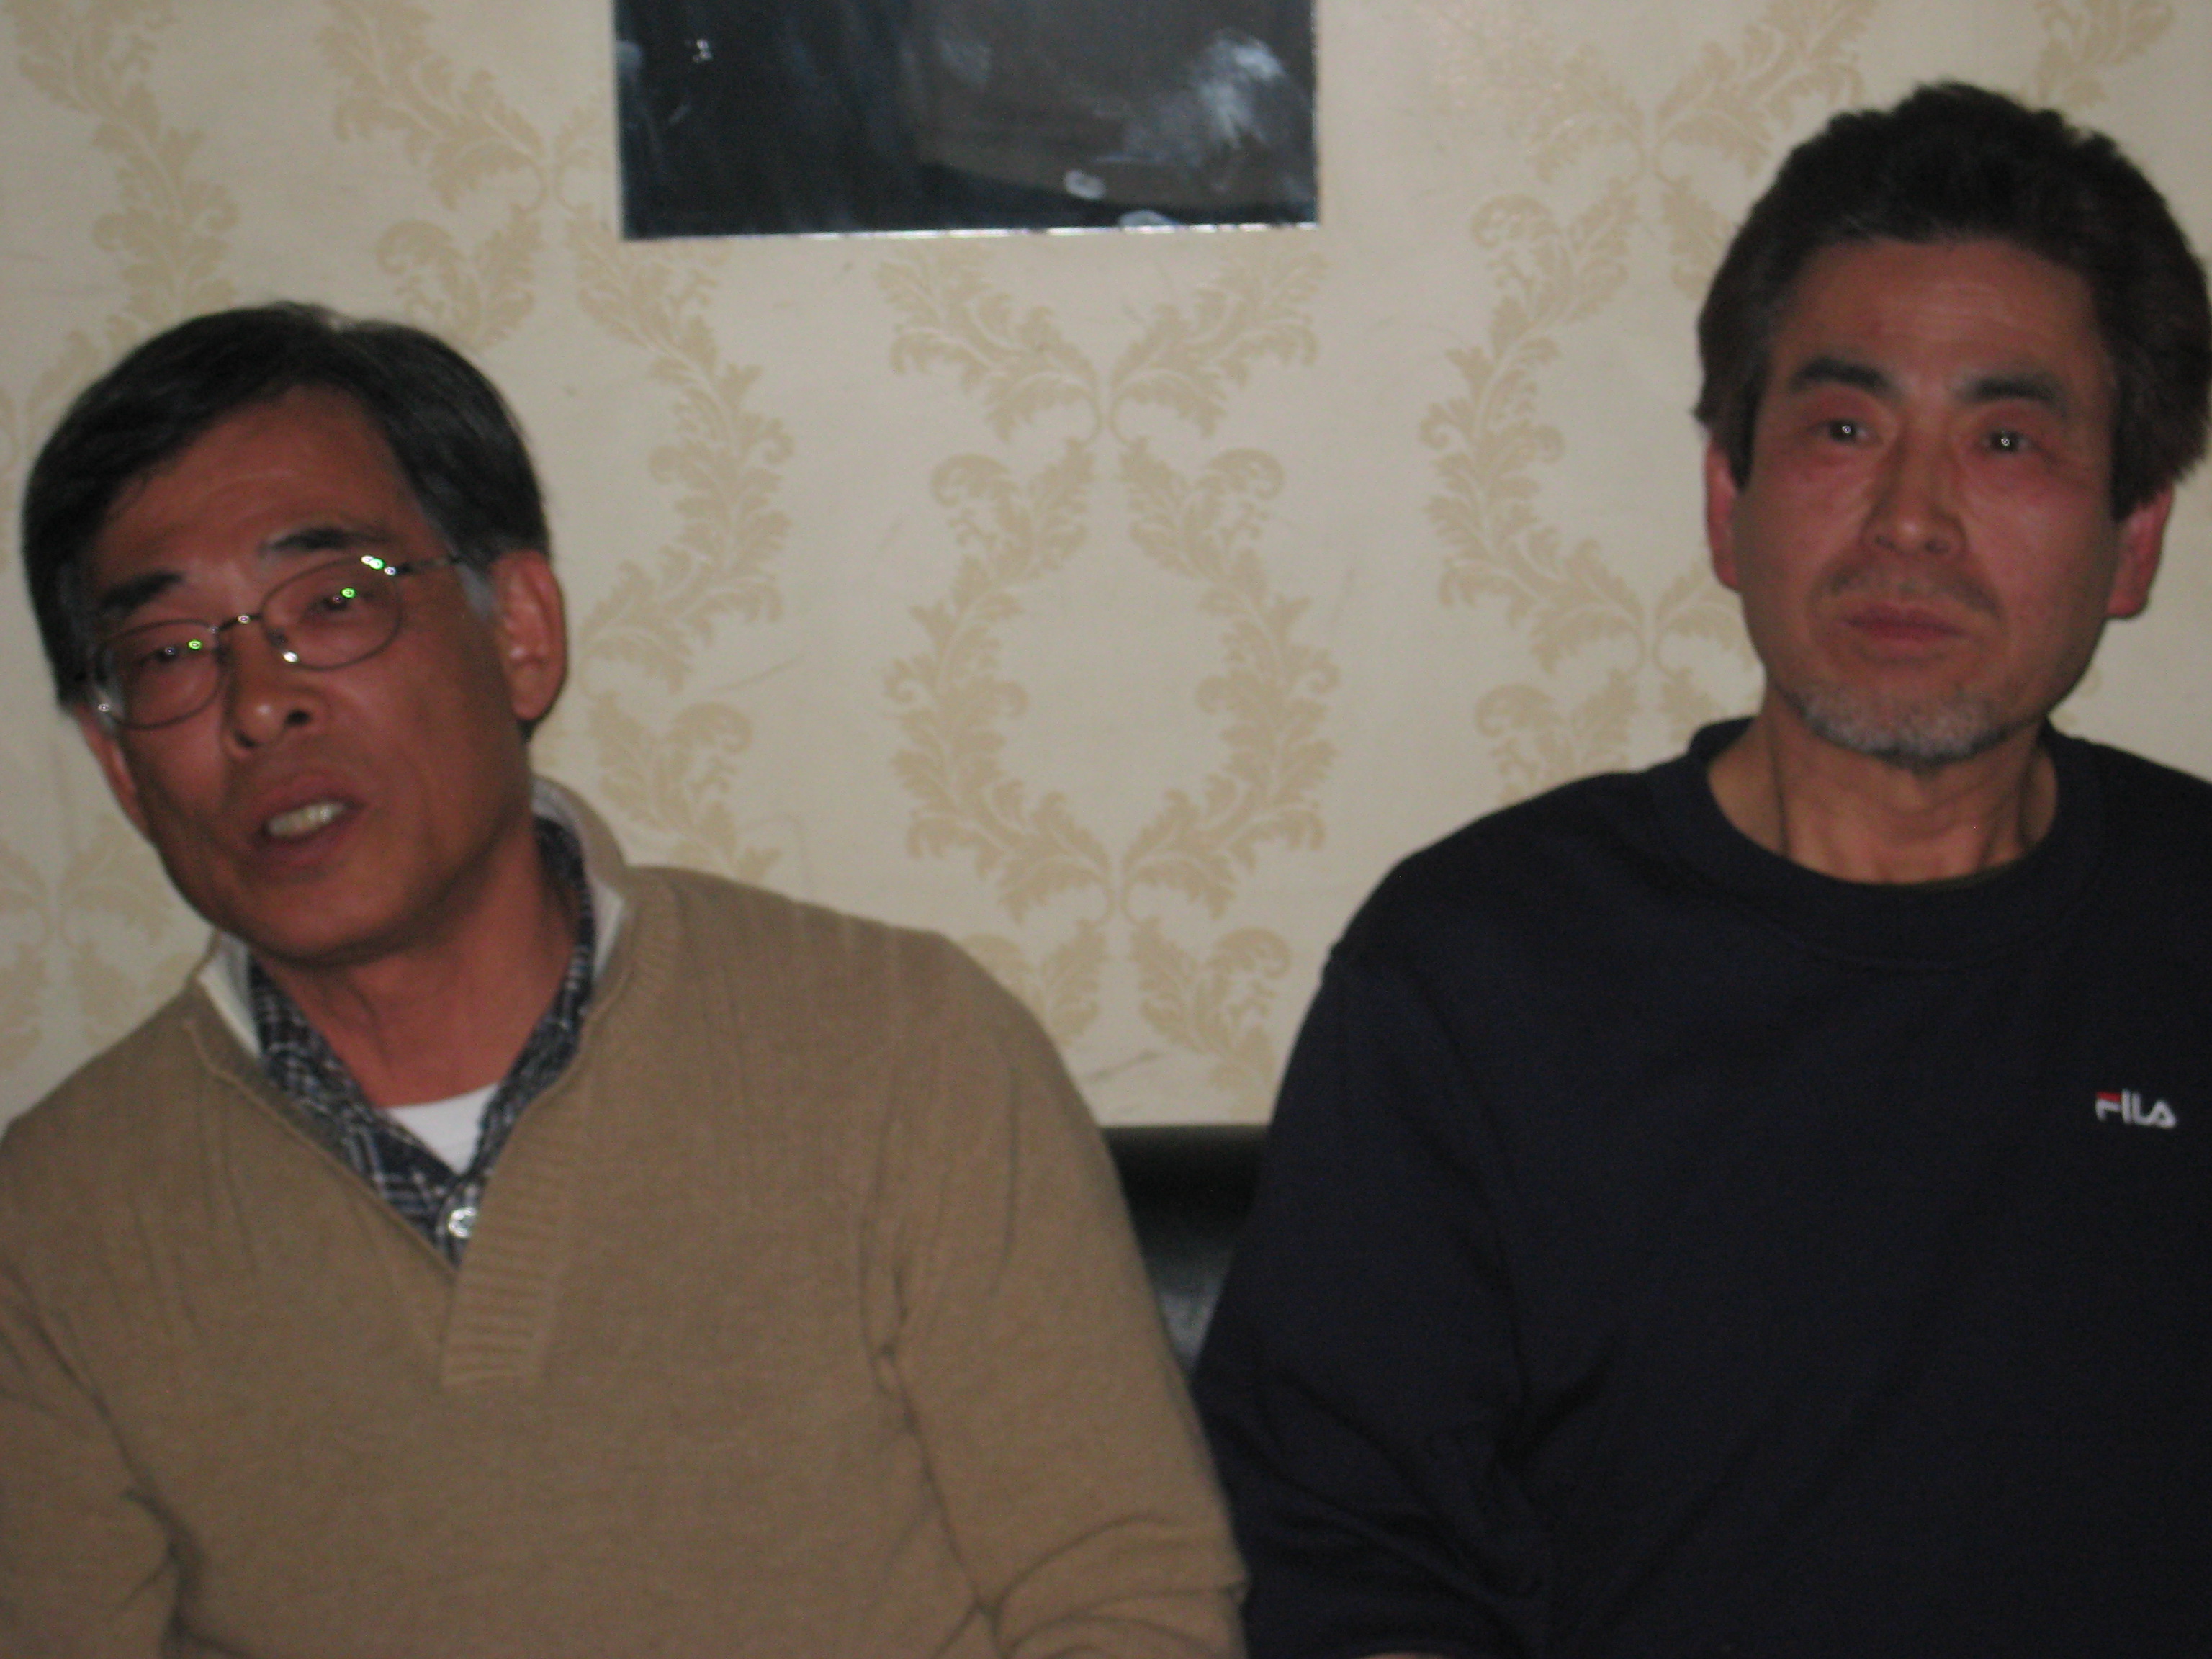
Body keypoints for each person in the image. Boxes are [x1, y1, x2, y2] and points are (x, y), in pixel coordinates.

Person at [0, 304, 1245, 1657]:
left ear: (521, 632)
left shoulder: (904, 1051)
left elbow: (1127, 1599)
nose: (259, 700)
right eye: (170, 654)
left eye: (335, 603)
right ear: (121, 767)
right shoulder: (56, 1224)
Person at [1193, 82, 2212, 1658]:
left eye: (2007, 440)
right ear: (1730, 503)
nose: (1912, 520)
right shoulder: (1476, 974)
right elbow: (1342, 1562)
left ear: (2133, 539)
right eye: (1844, 429)